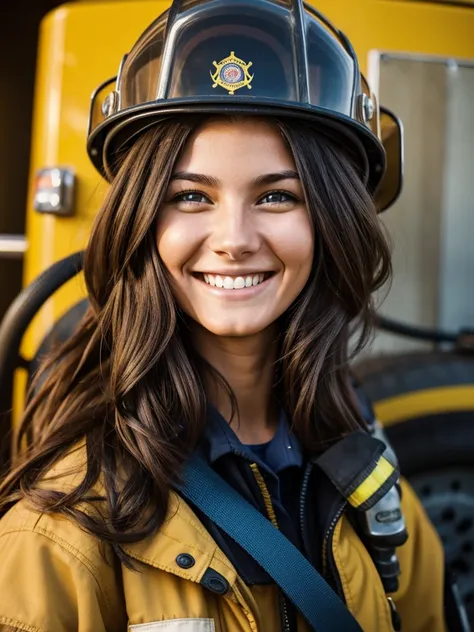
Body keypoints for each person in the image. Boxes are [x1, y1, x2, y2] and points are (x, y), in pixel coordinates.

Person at [0, 1, 456, 631]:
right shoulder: (61, 531)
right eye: (191, 196)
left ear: (333, 222)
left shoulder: (375, 489)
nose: (234, 238)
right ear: (140, 224)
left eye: (277, 195)